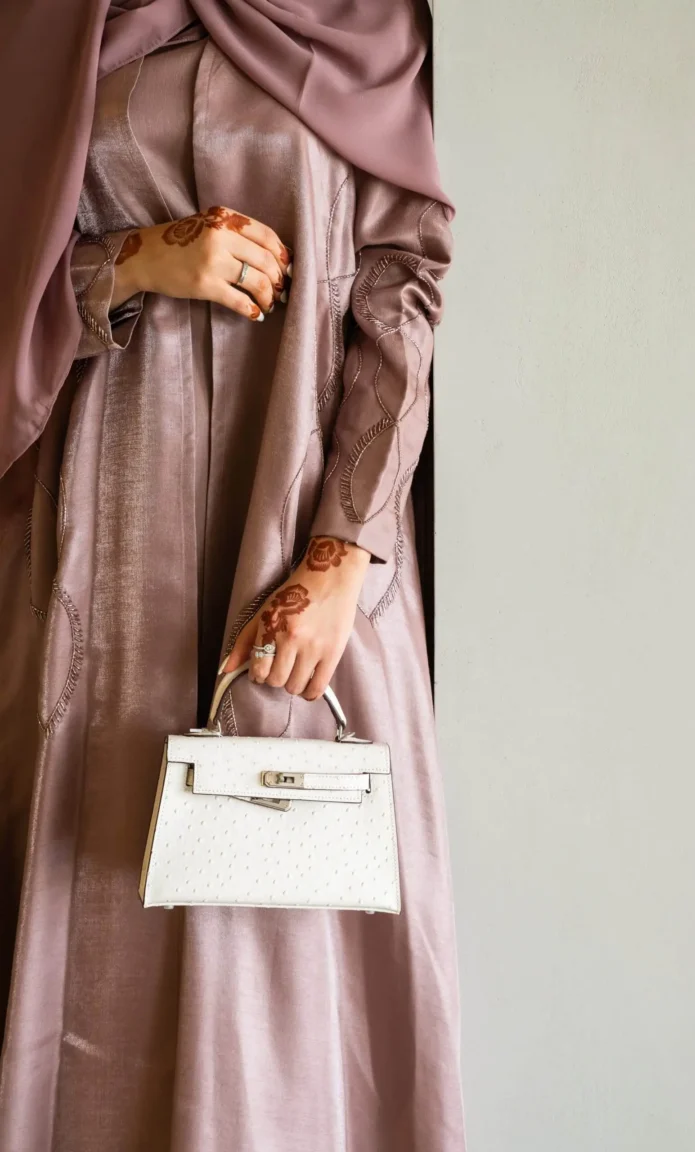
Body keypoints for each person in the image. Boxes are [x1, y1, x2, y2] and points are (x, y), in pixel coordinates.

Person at [0, 2, 466, 1149]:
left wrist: (342, 548)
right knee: (95, 903)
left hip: (296, 555)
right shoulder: (52, 23)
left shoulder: (366, 25)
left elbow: (405, 279)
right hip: (98, 556)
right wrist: (143, 257)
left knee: (289, 916)